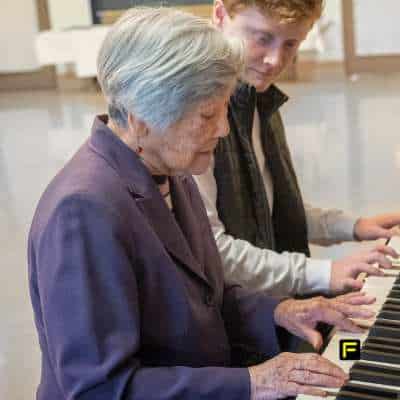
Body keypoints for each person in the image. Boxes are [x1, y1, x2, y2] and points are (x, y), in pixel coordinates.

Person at [28, 7, 375, 400]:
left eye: (224, 109)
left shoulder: (170, 169)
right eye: (207, 114)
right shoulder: (83, 211)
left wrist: (280, 311)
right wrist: (254, 381)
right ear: (144, 117)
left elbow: (207, 297)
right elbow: (100, 388)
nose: (224, 129)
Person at [194, 0, 400, 297]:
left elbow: (268, 209)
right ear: (220, 15)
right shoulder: (195, 113)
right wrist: (322, 273)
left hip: (271, 299)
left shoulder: (258, 97)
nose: (275, 61)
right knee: (352, 340)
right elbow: (212, 251)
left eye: (291, 44)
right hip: (235, 320)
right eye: (262, 38)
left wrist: (352, 226)